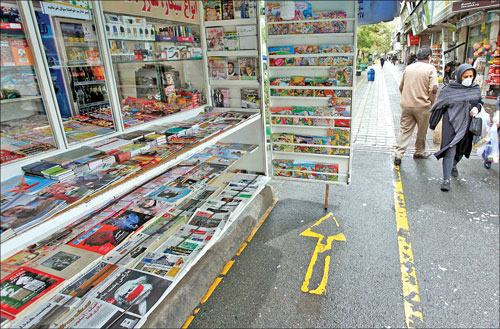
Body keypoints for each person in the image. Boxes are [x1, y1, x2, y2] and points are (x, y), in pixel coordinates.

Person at [429, 64, 483, 191]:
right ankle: (446, 180)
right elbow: (439, 106)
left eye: (471, 76)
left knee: (462, 149)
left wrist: (477, 108)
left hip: (468, 124)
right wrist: (433, 124)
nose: (469, 78)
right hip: (451, 124)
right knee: (450, 149)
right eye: (466, 76)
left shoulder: (475, 88)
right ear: (459, 76)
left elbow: (480, 102)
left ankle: (454, 165)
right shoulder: (450, 89)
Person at [394, 47, 438, 166]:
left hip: (407, 105)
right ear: (429, 56)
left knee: (404, 130)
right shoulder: (430, 69)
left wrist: (406, 98)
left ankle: (398, 154)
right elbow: (433, 89)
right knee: (422, 131)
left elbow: (401, 86)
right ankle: (419, 151)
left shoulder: (409, 68)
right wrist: (432, 103)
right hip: (423, 106)